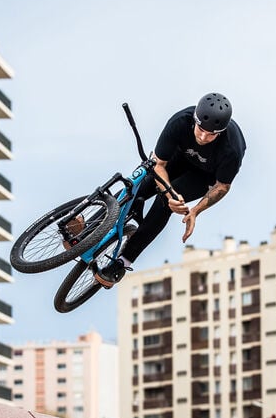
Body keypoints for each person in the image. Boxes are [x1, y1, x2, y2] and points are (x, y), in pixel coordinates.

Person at [93, 92, 247, 287]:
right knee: (139, 183)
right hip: (176, 159)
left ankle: (122, 262)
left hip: (203, 176)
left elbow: (222, 186)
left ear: (221, 132)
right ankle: (90, 226)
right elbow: (159, 164)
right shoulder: (180, 121)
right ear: (195, 120)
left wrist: (195, 211)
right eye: (200, 129)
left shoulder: (232, 149)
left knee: (164, 203)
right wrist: (166, 190)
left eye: (211, 134)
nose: (203, 137)